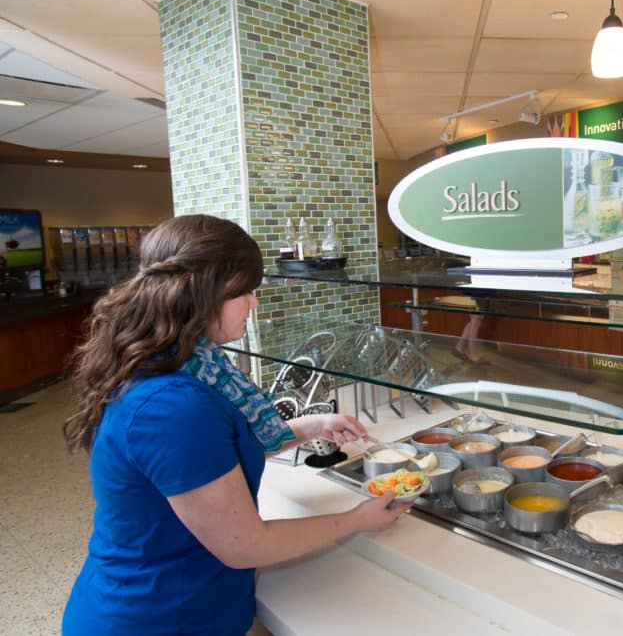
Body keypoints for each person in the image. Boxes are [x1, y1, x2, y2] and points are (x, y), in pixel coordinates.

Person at [61, 214, 410, 636]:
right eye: (243, 291)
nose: (253, 303)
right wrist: (355, 520)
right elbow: (245, 544)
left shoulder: (188, 363)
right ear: (200, 292)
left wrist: (311, 426)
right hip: (154, 618)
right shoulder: (171, 406)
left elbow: (213, 455)